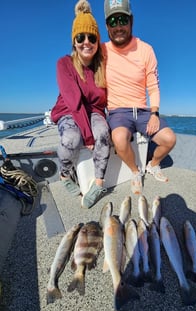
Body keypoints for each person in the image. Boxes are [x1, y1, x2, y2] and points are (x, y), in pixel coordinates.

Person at [102, 0, 177, 195]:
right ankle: (136, 171)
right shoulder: (101, 52)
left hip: (143, 111)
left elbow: (153, 87)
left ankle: (153, 164)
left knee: (169, 139)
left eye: (122, 19)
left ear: (131, 21)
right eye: (113, 21)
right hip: (118, 112)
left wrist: (154, 113)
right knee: (119, 139)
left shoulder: (146, 49)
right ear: (107, 26)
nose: (118, 26)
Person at [51, 0, 110, 208]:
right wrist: (87, 134)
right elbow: (74, 101)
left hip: (93, 111)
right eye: (81, 37)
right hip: (68, 110)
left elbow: (104, 102)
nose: (87, 42)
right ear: (74, 41)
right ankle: (65, 175)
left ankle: (99, 183)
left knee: (103, 132)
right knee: (71, 137)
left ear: (97, 41)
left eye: (92, 37)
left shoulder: (101, 68)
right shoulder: (64, 64)